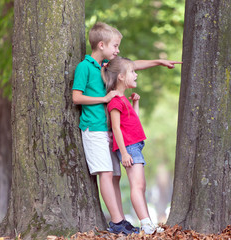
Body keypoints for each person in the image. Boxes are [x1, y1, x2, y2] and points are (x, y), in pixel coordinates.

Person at [72, 22, 181, 235]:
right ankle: (116, 221)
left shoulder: (105, 67)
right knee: (104, 173)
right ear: (101, 44)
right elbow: (76, 97)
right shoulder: (84, 67)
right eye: (115, 46)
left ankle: (122, 221)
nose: (118, 50)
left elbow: (131, 66)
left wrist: (159, 61)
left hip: (109, 131)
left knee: (115, 175)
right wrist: (104, 97)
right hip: (92, 129)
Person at [102, 56, 164, 235]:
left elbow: (132, 121)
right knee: (137, 186)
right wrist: (124, 152)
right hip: (128, 148)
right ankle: (146, 224)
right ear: (121, 77)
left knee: (141, 185)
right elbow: (116, 128)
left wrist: (135, 103)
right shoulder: (115, 101)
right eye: (132, 72)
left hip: (134, 146)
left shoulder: (123, 99)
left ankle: (148, 223)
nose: (136, 74)